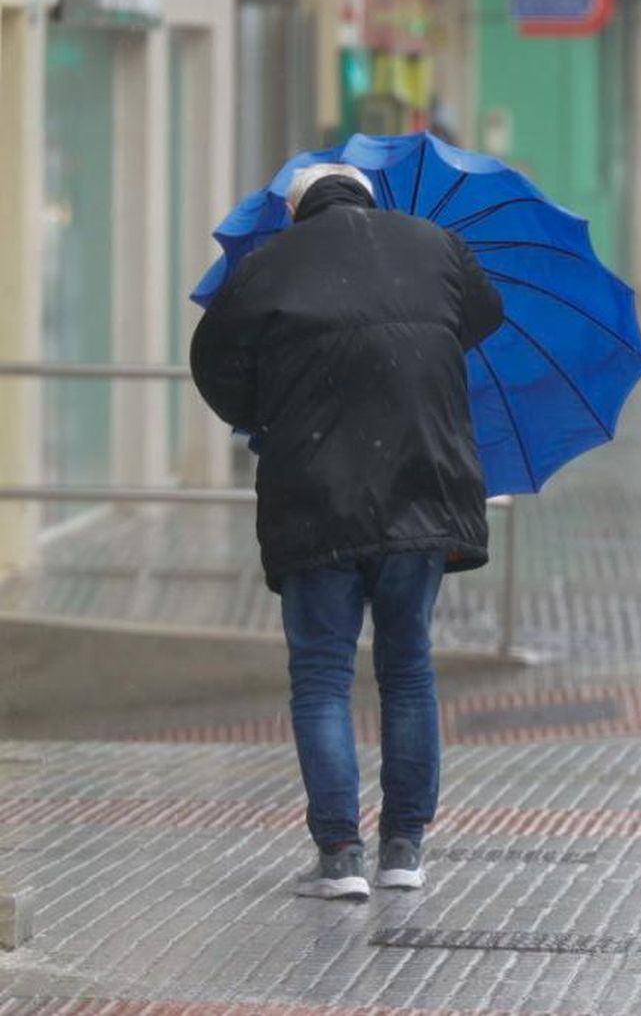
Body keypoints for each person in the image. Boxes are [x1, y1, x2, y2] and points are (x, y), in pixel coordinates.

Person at [190, 163, 503, 901]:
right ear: (368, 196)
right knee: (408, 668)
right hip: (420, 488)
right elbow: (483, 316)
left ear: (296, 209)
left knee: (322, 675)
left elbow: (213, 367)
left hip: (313, 495)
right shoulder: (434, 244)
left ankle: (339, 856)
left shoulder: (268, 266)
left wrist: (268, 407)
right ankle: (404, 850)